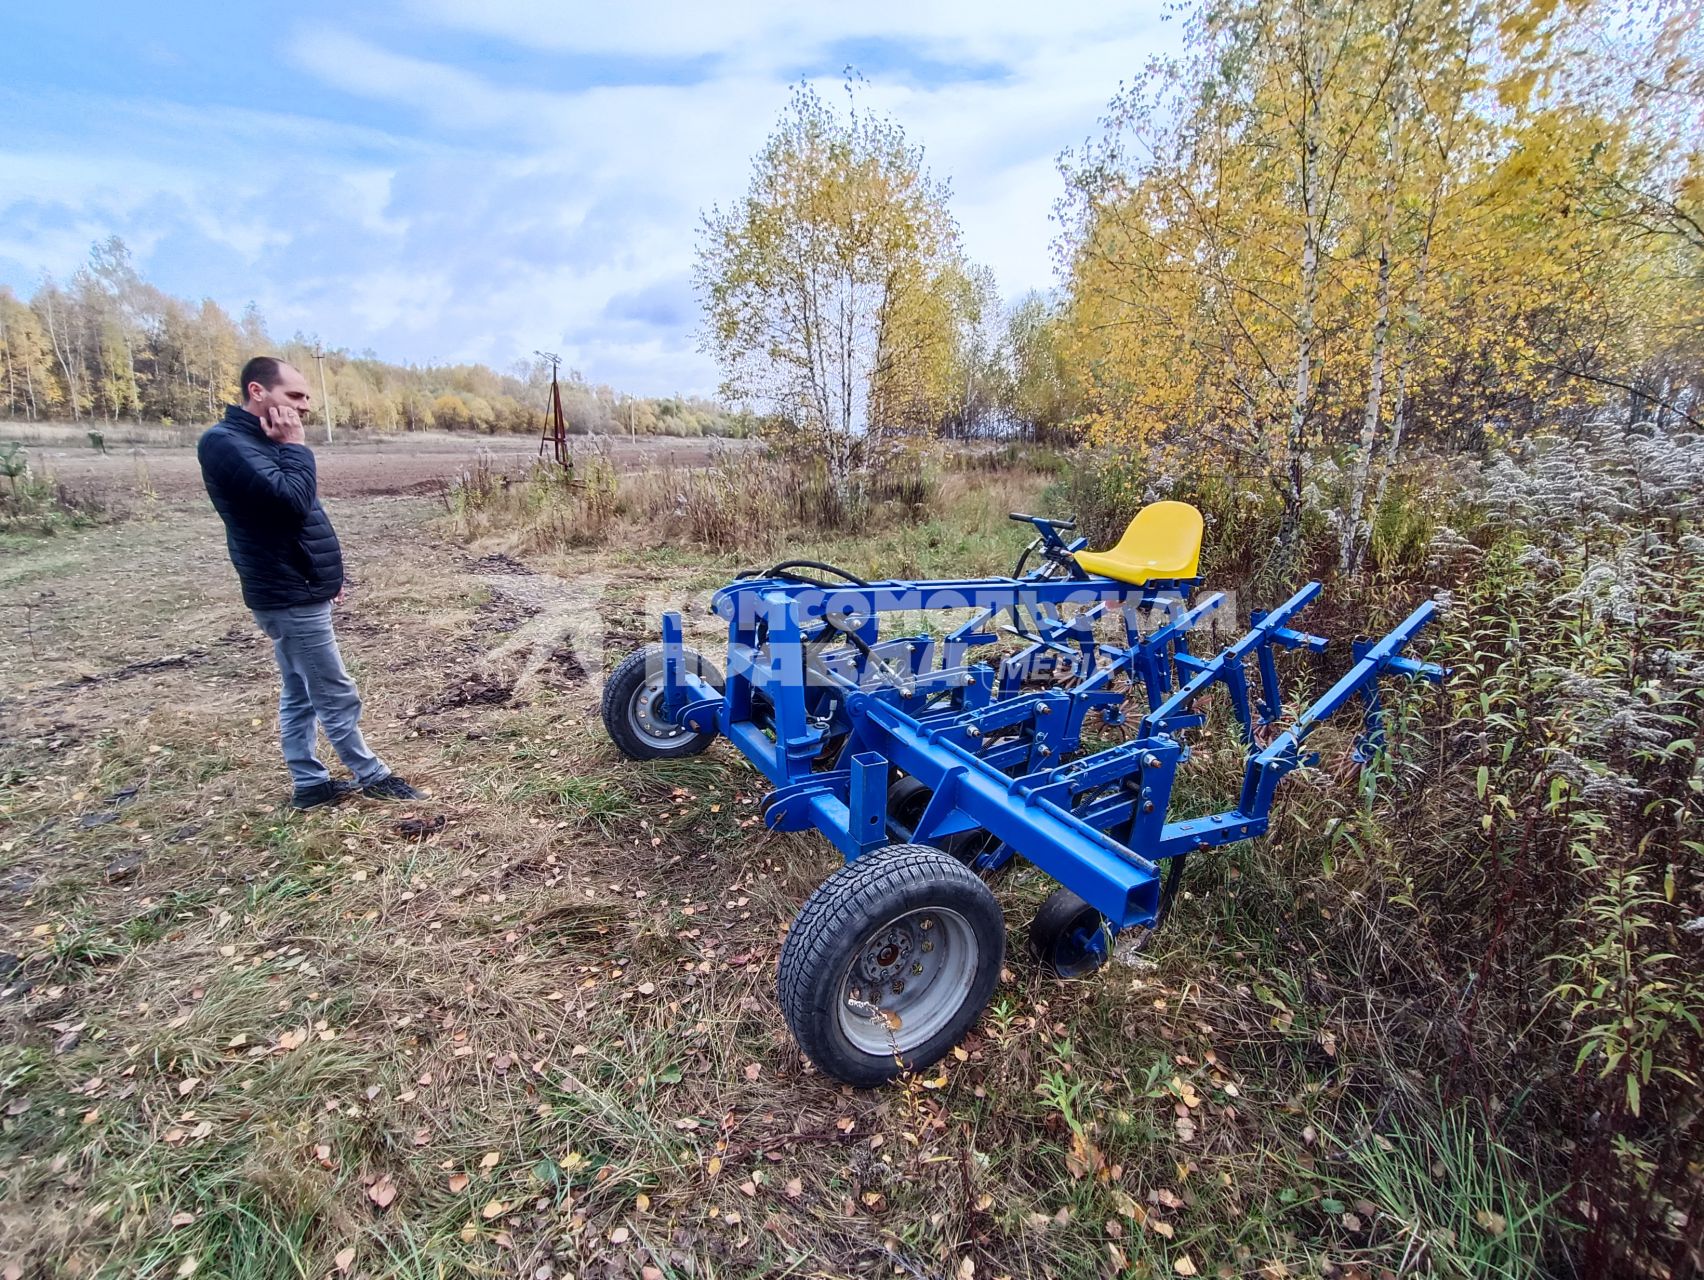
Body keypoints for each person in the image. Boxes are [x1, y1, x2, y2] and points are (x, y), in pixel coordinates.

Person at [198, 356, 422, 810]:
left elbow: (297, 523)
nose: (303, 408)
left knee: (299, 690)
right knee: (333, 689)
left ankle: (309, 784)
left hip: (298, 585)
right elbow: (293, 502)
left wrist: (325, 577)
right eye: (295, 396)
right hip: (286, 592)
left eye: (305, 400)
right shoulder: (225, 443)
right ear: (258, 392)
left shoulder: (260, 440)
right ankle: (371, 775)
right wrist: (295, 445)